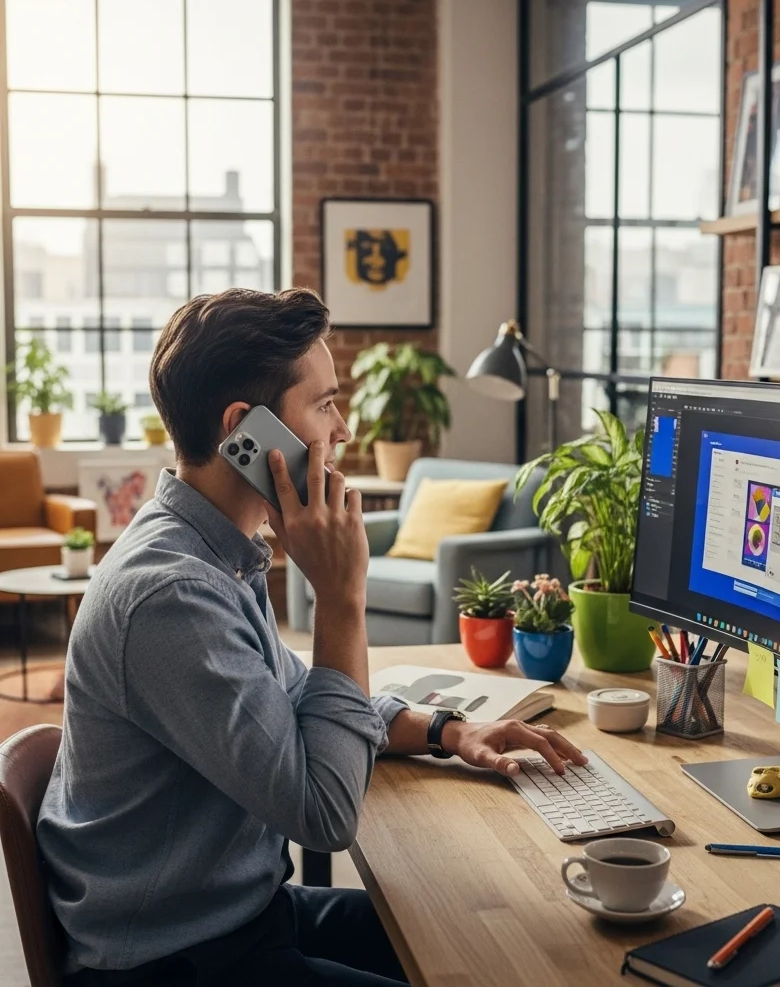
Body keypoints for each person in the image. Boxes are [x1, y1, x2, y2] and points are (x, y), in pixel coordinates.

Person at [37, 288, 587, 987]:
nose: (346, 430)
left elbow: (299, 695)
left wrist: (448, 732)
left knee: (510, 942)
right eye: (326, 404)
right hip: (175, 958)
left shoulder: (213, 550)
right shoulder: (171, 595)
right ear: (247, 434)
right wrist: (341, 598)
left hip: (238, 913)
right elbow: (324, 813)